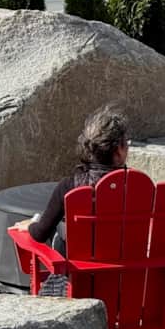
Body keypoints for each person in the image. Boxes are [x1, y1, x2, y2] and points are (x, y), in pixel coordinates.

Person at [16, 105, 131, 249]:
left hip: (80, 266)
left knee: (59, 234)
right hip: (128, 265)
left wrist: (32, 225)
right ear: (119, 150)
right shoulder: (138, 186)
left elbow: (40, 233)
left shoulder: (69, 186)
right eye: (127, 143)